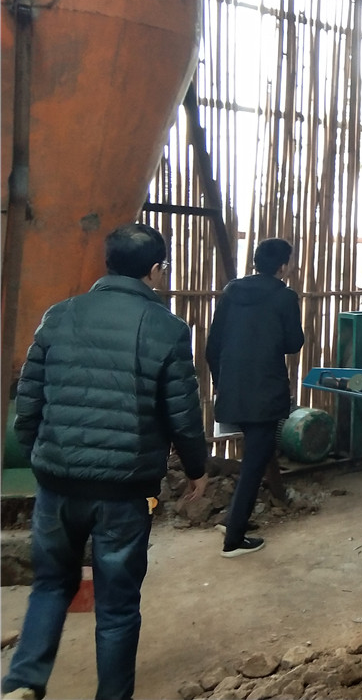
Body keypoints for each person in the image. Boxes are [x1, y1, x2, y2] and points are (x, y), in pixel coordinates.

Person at [2, 224, 209, 700]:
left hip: (57, 482)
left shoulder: (59, 316)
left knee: (50, 585)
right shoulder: (166, 328)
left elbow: (28, 403)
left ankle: (24, 681)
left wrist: (41, 457)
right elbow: (182, 414)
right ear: (155, 270)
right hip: (123, 490)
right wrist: (197, 469)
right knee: (117, 606)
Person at [206, 237, 304, 558]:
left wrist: (222, 384)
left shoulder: (231, 293)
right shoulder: (284, 297)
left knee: (252, 458)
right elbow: (294, 343)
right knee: (254, 463)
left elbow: (212, 346)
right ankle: (233, 540)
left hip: (233, 391)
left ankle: (234, 519)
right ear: (282, 266)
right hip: (265, 392)